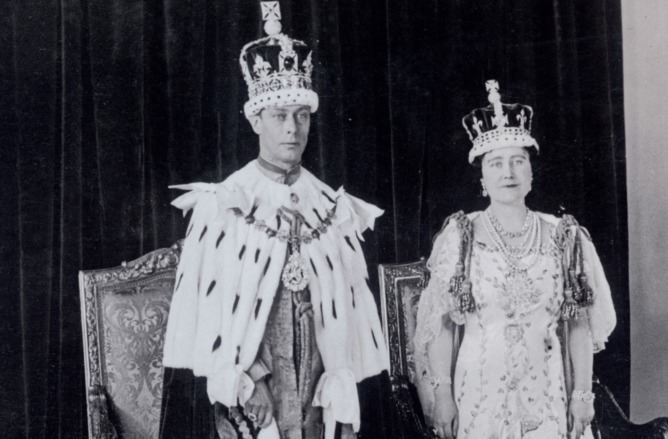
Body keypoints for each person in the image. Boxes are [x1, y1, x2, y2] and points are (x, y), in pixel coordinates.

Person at [159, 5, 389, 439]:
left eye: (301, 116)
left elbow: (344, 312)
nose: (292, 128)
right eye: (280, 116)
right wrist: (250, 379)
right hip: (255, 379)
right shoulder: (225, 203)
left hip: (317, 378)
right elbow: (215, 310)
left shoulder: (331, 205)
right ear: (256, 120)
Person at [413, 80, 616, 439]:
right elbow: (442, 325)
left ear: (531, 173)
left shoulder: (564, 236)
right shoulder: (459, 237)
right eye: (496, 164)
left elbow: (579, 324)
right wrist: (441, 393)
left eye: (517, 161)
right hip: (478, 393)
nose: (508, 173)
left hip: (548, 390)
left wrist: (582, 395)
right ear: (483, 178)